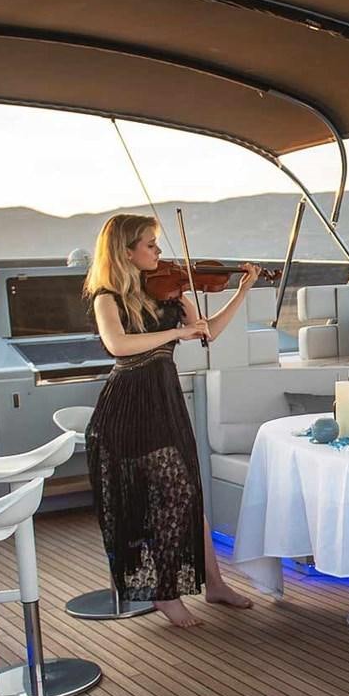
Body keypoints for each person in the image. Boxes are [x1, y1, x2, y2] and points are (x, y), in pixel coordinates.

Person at [82, 213, 261, 627]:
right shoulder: (107, 296)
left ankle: (214, 583)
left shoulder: (169, 292)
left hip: (164, 401)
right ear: (126, 251)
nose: (159, 253)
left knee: (187, 492)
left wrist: (242, 290)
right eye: (150, 245)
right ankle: (165, 593)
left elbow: (206, 331)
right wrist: (174, 335)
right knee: (174, 492)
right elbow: (118, 345)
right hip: (128, 406)